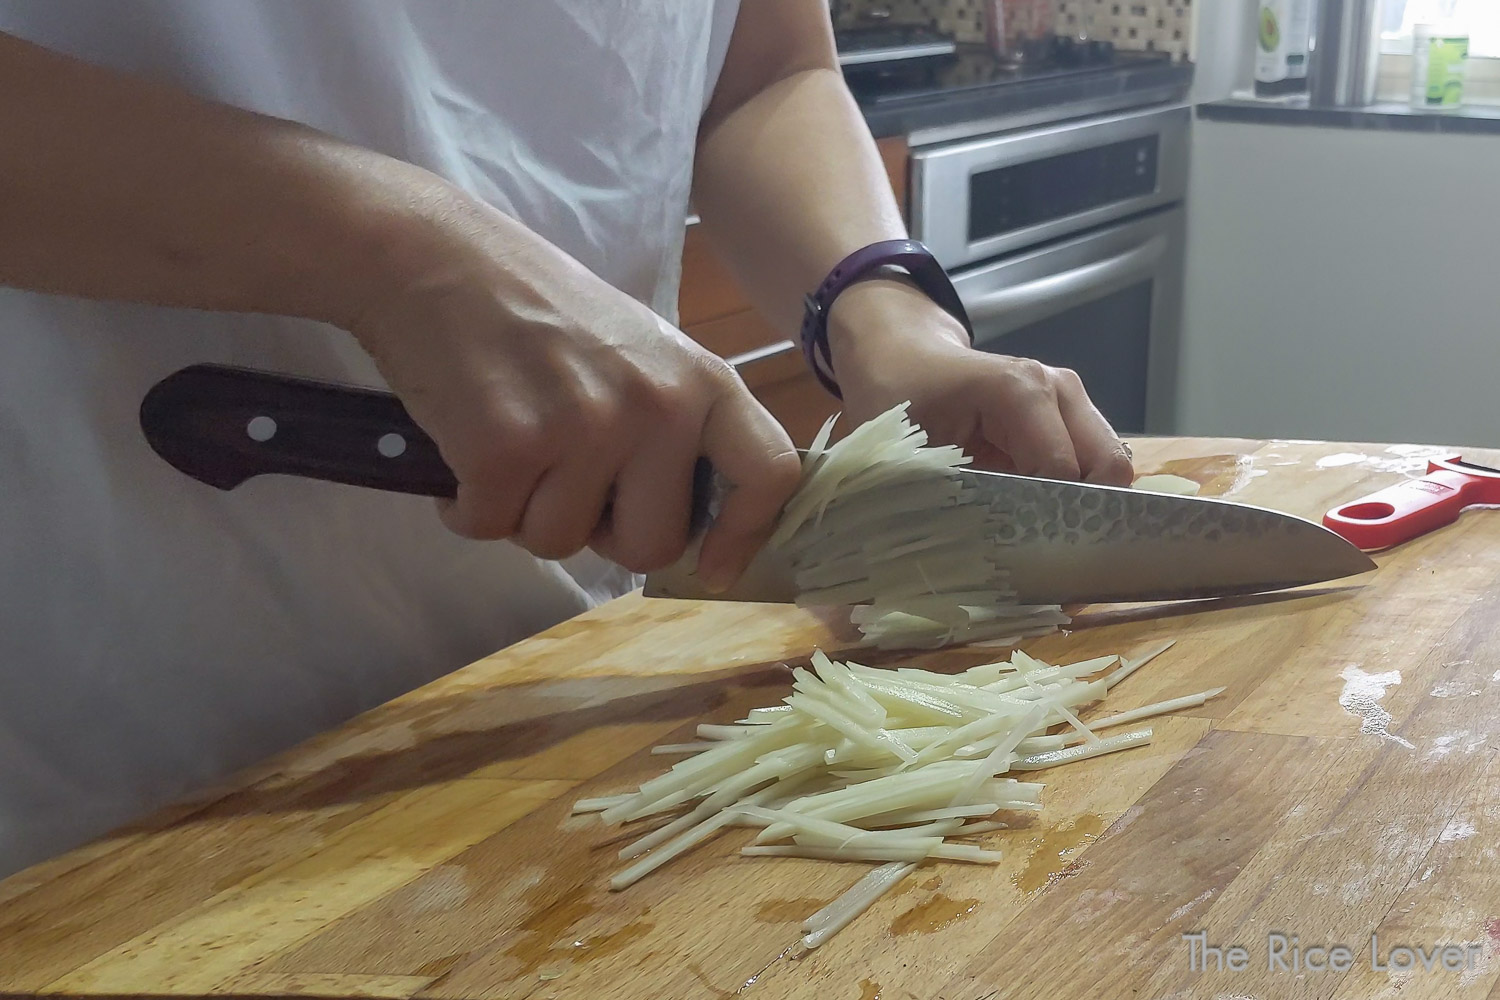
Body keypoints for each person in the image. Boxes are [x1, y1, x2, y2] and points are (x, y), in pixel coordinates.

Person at [0, 0, 1133, 878]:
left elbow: (764, 68)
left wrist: (885, 316)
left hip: (547, 714)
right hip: (114, 755)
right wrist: (401, 253)